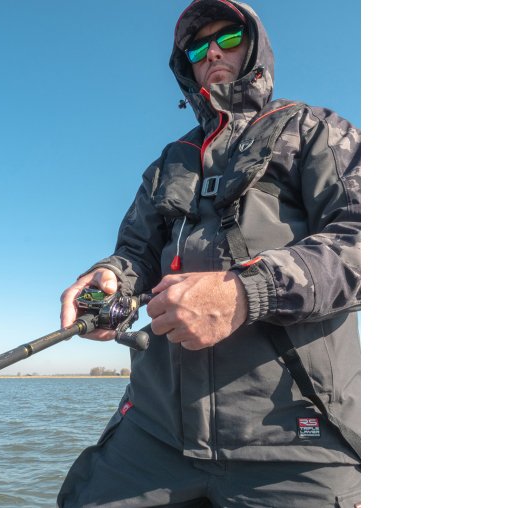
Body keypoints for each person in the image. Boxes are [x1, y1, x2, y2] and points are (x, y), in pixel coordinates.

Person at [57, 1, 361, 506]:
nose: (213, 52)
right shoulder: (168, 162)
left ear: (255, 49)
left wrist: (247, 291)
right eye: (198, 48)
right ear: (187, 67)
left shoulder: (317, 130)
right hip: (155, 430)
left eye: (229, 38)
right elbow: (135, 253)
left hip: (298, 440)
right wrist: (110, 278)